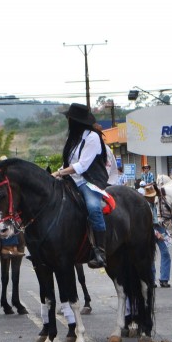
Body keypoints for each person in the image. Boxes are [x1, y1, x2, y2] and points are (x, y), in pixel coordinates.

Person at [53, 103, 108, 269]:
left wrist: (59, 173)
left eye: (69, 118)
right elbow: (68, 163)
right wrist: (57, 173)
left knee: (93, 208)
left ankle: (100, 251)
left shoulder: (92, 137)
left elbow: (82, 166)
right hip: (71, 180)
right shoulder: (74, 139)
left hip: (88, 181)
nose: (68, 121)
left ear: (76, 121)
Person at [143, 184, 172, 288]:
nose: (152, 198)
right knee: (151, 255)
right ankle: (151, 280)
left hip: (158, 226)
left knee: (165, 253)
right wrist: (156, 233)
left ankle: (164, 279)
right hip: (148, 229)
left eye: (153, 196)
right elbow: (145, 223)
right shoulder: (144, 206)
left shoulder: (155, 203)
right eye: (150, 196)